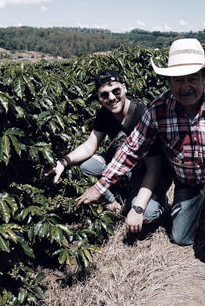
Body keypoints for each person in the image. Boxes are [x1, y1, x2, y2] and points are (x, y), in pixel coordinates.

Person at [77, 38, 205, 287]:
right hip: (188, 182)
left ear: (204, 76)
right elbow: (132, 149)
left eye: (191, 78)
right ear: (169, 81)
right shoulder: (158, 109)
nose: (185, 86)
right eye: (178, 79)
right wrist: (100, 187)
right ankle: (201, 208)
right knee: (180, 237)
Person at [45, 69, 171, 233]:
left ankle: (159, 202)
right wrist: (63, 162)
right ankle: (118, 196)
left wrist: (138, 209)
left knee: (147, 212)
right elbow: (89, 146)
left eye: (116, 91)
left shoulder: (142, 115)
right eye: (104, 95)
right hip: (123, 165)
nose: (111, 98)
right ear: (99, 98)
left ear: (124, 88)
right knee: (87, 166)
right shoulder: (105, 114)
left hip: (149, 171)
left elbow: (153, 170)